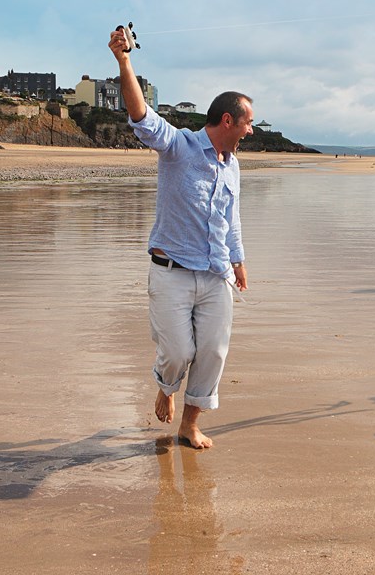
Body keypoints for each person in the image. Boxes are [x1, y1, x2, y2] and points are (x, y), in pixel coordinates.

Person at [108, 28, 253, 449]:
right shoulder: (179, 147)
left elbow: (232, 217)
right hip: (170, 271)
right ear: (228, 120)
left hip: (216, 273)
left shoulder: (233, 167)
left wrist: (239, 261)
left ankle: (189, 425)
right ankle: (165, 385)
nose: (251, 131)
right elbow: (141, 117)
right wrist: (124, 62)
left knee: (212, 352)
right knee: (177, 353)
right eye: (248, 123)